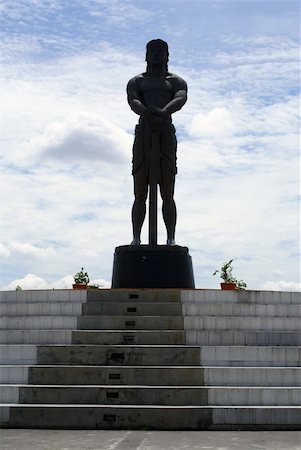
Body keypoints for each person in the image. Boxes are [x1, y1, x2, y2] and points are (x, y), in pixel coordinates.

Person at [127, 39, 187, 245]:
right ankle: (136, 237)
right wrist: (147, 112)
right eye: (153, 51)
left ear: (167, 55)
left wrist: (163, 112)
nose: (157, 54)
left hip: (165, 131)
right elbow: (133, 100)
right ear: (146, 55)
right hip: (144, 131)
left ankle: (170, 238)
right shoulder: (137, 81)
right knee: (140, 189)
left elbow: (180, 97)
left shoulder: (176, 81)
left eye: (161, 51)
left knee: (168, 190)